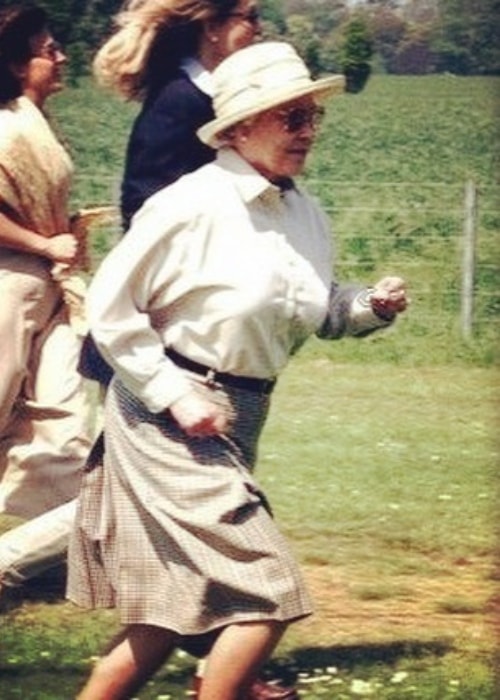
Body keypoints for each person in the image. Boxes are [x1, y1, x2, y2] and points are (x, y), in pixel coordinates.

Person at [67, 41, 408, 700]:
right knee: (268, 593)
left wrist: (371, 305)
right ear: (240, 126)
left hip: (241, 417)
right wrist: (172, 393)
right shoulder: (190, 205)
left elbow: (318, 307)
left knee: (166, 614)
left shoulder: (304, 212)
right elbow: (109, 308)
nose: (309, 132)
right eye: (293, 118)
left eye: (313, 118)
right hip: (167, 417)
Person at [0, 3, 91, 599]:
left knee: (65, 421)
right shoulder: (5, 125)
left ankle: (30, 553)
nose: (59, 57)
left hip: (48, 287)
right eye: (47, 49)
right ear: (14, 64)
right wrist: (43, 241)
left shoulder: (36, 119)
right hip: (8, 282)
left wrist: (65, 239)